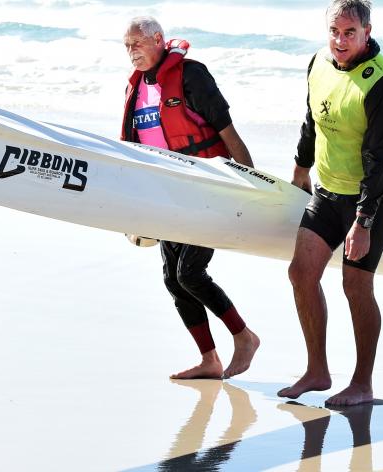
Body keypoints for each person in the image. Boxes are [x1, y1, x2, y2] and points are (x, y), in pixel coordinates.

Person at [278, 0, 383, 406]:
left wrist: (363, 221)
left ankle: (362, 383)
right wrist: (301, 168)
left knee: (355, 285)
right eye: (334, 32)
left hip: (371, 196)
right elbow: (312, 119)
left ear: (367, 32)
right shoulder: (319, 62)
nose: (340, 41)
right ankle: (317, 371)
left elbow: (381, 160)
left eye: (349, 33)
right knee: (301, 273)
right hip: (327, 189)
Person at [120, 16, 260, 380]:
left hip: (207, 188)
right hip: (167, 193)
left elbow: (228, 133)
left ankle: (244, 337)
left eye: (137, 43)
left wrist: (251, 186)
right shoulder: (136, 89)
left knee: (190, 272)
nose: (131, 52)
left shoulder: (191, 75)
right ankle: (209, 359)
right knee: (172, 277)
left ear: (158, 40)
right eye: (127, 46)